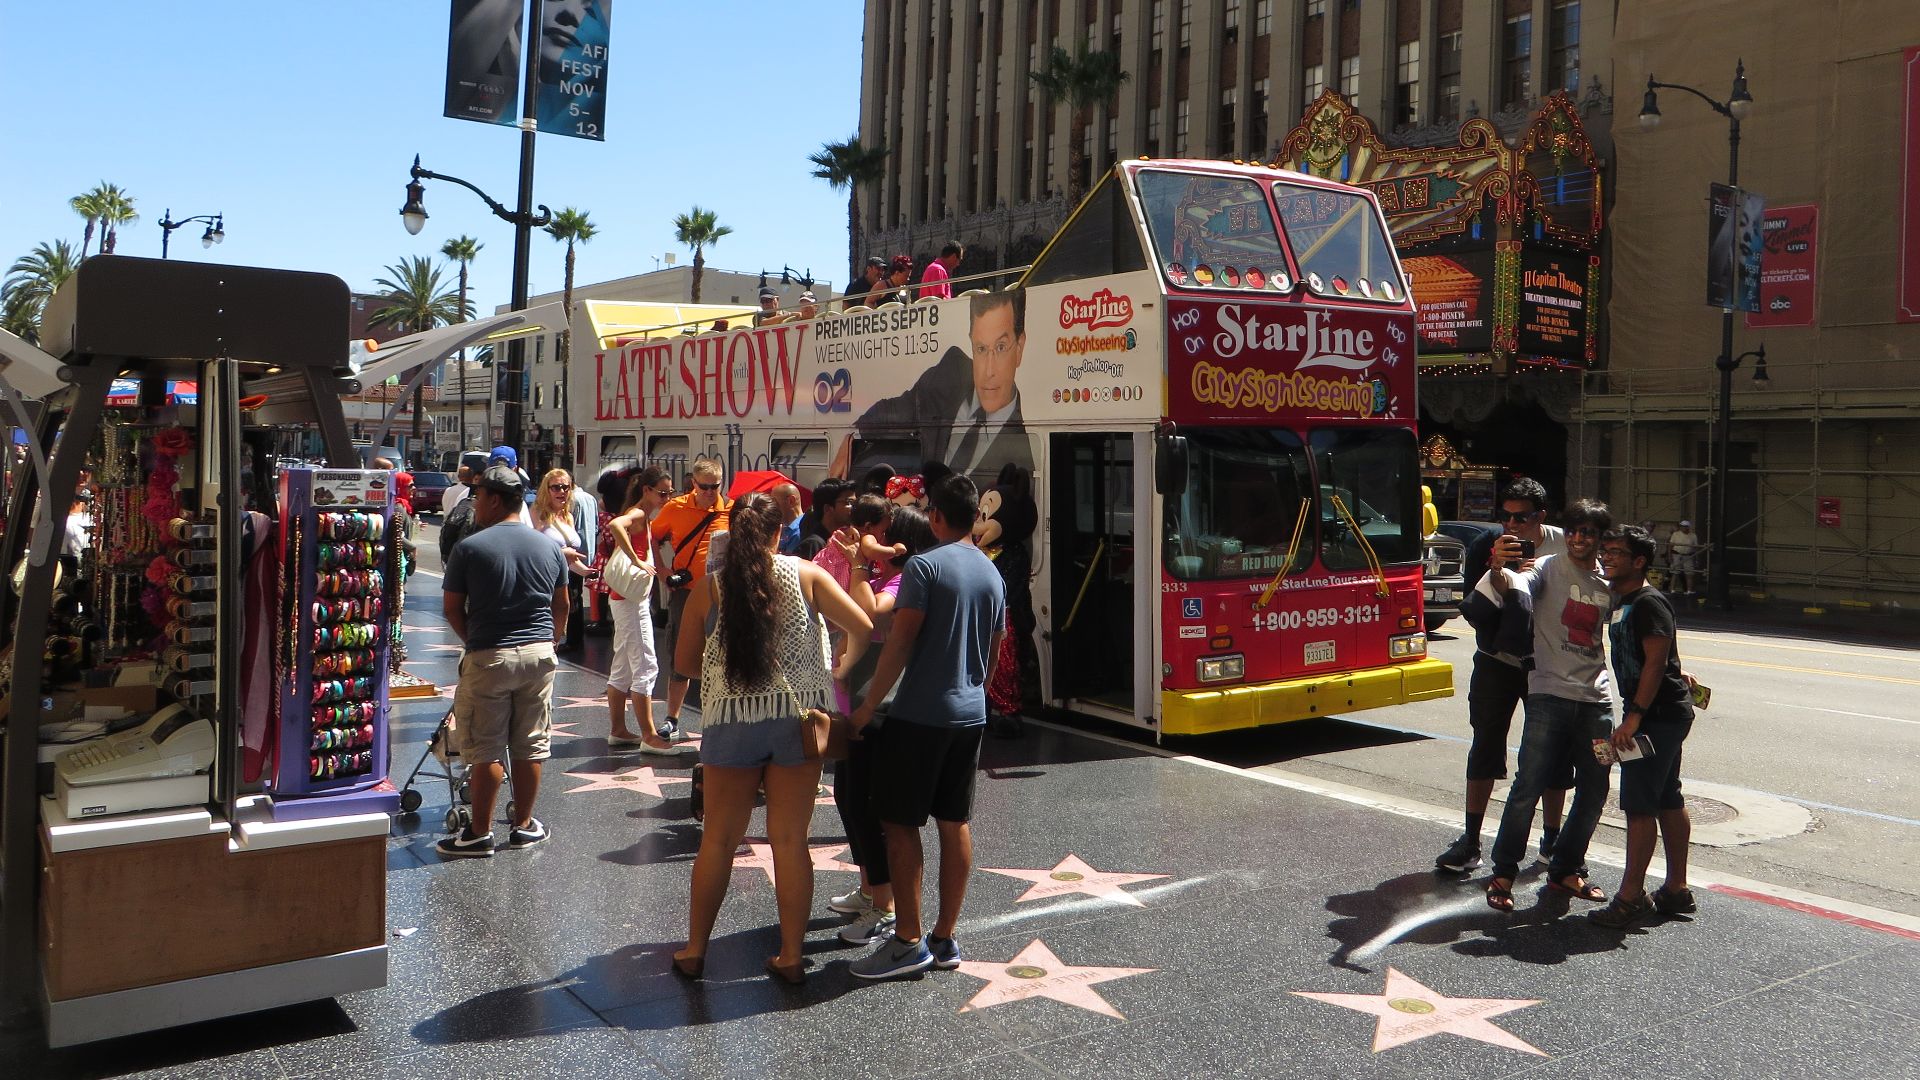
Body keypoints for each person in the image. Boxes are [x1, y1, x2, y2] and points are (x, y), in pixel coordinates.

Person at [669, 494, 871, 984]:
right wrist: (835, 664)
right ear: (781, 532)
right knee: (790, 841)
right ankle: (791, 956)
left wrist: (727, 679)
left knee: (717, 839)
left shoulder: (711, 588)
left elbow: (682, 664)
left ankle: (696, 950)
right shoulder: (808, 575)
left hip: (730, 722)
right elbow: (864, 626)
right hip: (794, 720)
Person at [848, 475, 1006, 979]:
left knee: (899, 823)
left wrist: (868, 705)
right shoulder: (991, 572)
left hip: (919, 714)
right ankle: (943, 937)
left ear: (935, 515)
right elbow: (996, 650)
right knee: (954, 821)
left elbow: (900, 641)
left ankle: (907, 941)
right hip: (969, 712)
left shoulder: (924, 565)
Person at [1483, 499, 1616, 913]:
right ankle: (1504, 871)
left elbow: (1630, 632)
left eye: (1589, 532)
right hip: (1547, 694)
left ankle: (1567, 869)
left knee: (1594, 791)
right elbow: (1510, 588)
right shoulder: (1544, 566)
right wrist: (1497, 569)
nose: (1579, 538)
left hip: (1597, 700)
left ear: (1599, 539)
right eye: (1574, 530)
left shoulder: (1608, 582)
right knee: (1528, 787)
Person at [1435, 478, 1572, 873]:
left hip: (1547, 664)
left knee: (1553, 753)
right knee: (1485, 745)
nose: (1512, 525)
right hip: (1496, 660)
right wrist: (1498, 571)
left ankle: (1551, 840)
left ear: (1541, 517)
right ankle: (1471, 841)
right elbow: (1474, 608)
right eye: (1506, 516)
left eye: (1522, 518)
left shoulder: (1564, 545)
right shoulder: (1487, 546)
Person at [437, 467, 569, 857]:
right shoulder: (549, 547)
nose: (475, 502)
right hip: (539, 654)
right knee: (530, 744)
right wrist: (552, 640)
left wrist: (473, 642)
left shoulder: (471, 548)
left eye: (478, 496)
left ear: (495, 499)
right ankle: (525, 825)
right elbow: (561, 604)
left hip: (490, 654)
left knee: (486, 748)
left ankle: (478, 834)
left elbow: (452, 609)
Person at [829, 504, 938, 946]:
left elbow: (870, 612)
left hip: (878, 707)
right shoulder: (874, 574)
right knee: (848, 798)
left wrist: (858, 563)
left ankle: (884, 904)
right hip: (850, 699)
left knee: (868, 803)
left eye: (881, 533)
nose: (870, 538)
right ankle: (870, 887)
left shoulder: (901, 580)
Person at [1591, 525, 1699, 928]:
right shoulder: (1626, 600)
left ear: (1639, 561)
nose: (1607, 557)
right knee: (1668, 797)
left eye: (1616, 552)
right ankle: (1675, 890)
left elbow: (1655, 663)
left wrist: (1634, 717)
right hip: (1664, 710)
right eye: (1606, 550)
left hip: (1656, 716)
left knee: (1639, 806)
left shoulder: (1649, 602)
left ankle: (1630, 898)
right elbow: (1664, 655)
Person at [846, 289, 1034, 485]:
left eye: (1001, 347)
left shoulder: (1024, 459)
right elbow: (893, 411)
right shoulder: (949, 372)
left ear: (1019, 347)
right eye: (981, 349)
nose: (988, 371)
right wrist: (852, 436)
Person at [650, 457, 732, 737]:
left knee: (722, 654)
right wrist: (661, 569)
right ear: (693, 484)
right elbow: (652, 536)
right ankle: (672, 717)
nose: (710, 492)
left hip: (721, 593)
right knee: (680, 653)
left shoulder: (731, 510)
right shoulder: (676, 507)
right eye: (705, 487)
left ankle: (719, 716)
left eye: (715, 486)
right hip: (685, 592)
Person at [605, 466, 681, 754]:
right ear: (646, 490)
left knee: (623, 665)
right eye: (662, 493)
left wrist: (661, 573)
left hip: (624, 598)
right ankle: (649, 735)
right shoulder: (638, 514)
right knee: (647, 665)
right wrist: (635, 561)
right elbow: (615, 526)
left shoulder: (645, 516)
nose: (666, 497)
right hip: (630, 602)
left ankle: (618, 730)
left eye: (669, 492)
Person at [533, 469, 591, 652]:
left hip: (564, 581)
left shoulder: (568, 516)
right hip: (543, 579)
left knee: (560, 627)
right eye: (556, 487)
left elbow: (571, 556)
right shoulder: (538, 513)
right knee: (543, 631)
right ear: (546, 490)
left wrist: (588, 571)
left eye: (566, 487)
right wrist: (561, 553)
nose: (562, 492)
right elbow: (531, 548)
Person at [792, 477, 856, 560]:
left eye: (855, 502)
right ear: (827, 508)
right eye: (849, 502)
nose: (855, 507)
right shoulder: (813, 546)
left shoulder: (849, 540)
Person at [1667, 519, 1700, 595]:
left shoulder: (1693, 535)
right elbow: (1670, 546)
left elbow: (1696, 548)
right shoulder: (1675, 534)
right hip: (1676, 555)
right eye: (1682, 526)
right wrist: (1670, 556)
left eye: (1685, 526)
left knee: (1689, 573)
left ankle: (1689, 590)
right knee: (1675, 572)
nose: (1683, 528)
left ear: (1688, 527)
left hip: (1688, 556)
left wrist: (1696, 558)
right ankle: (1672, 589)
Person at [771, 482, 805, 554]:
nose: (772, 507)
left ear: (791, 501)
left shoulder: (800, 530)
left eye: (775, 502)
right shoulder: (785, 528)